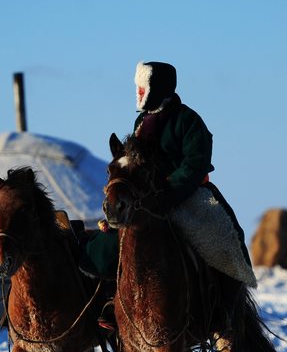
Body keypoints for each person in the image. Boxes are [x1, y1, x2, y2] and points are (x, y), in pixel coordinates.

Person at [82, 61, 255, 300]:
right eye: (138, 88)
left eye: (142, 87)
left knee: (221, 236)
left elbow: (195, 163)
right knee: (114, 240)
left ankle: (225, 309)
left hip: (186, 193)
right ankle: (112, 304)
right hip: (146, 196)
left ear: (157, 87)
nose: (138, 93)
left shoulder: (189, 120)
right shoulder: (140, 123)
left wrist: (170, 192)